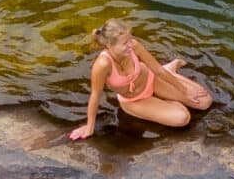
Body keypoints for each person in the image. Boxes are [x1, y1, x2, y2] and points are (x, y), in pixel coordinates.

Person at [69, 21, 213, 140]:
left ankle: (169, 71)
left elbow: (157, 70)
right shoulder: (102, 65)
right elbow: (95, 95)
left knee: (205, 102)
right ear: (110, 45)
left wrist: (184, 91)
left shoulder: (134, 46)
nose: (130, 45)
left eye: (130, 39)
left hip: (151, 78)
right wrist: (90, 127)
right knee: (183, 118)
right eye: (125, 43)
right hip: (135, 100)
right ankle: (169, 83)